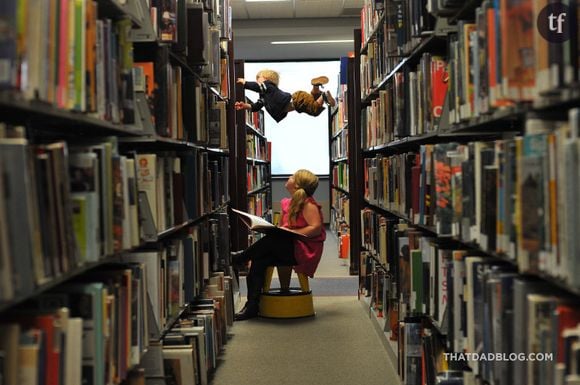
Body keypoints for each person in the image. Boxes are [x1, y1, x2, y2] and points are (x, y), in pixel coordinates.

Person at [231, 169, 326, 320]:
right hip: (288, 248)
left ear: (296, 185)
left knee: (272, 240)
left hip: (303, 250)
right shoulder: (288, 203)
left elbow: (316, 229)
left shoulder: (309, 204)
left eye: (293, 176)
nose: (289, 177)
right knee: (259, 260)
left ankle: (241, 257)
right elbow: (284, 227)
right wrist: (281, 230)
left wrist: (293, 232)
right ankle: (252, 306)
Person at [234, 69, 336, 123]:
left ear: (266, 79)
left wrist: (245, 83)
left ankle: (323, 95)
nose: (257, 81)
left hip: (297, 99)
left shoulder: (268, 86)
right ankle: (316, 87)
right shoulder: (265, 96)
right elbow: (256, 106)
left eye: (258, 78)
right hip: (297, 101)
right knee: (312, 102)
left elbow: (257, 86)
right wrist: (246, 106)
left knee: (314, 109)